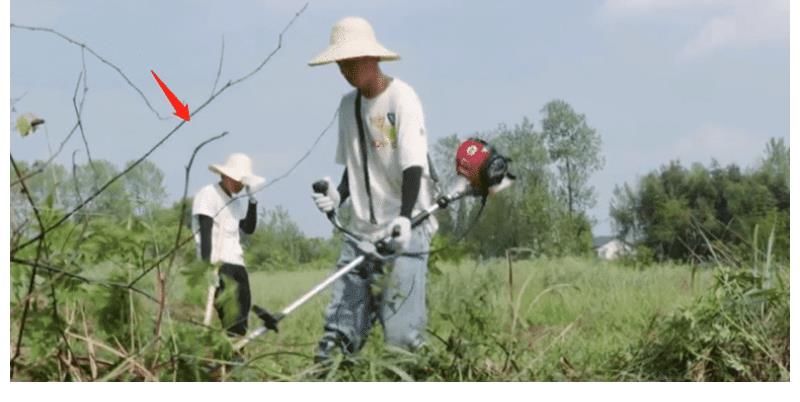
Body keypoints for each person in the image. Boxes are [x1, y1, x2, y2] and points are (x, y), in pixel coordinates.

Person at [308, 16, 438, 362]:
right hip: (361, 231)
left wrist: (406, 218)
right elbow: (355, 162)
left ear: (372, 58)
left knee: (402, 339)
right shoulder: (347, 106)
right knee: (338, 334)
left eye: (352, 62)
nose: (346, 70)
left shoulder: (401, 98)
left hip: (404, 228)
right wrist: (338, 195)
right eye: (341, 64)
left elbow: (414, 164)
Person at [192, 153, 264, 337]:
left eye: (243, 183)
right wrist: (207, 267)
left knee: (242, 317)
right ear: (225, 176)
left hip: (237, 264)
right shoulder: (208, 194)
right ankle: (227, 356)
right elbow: (205, 233)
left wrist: (253, 201)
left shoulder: (235, 203)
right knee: (229, 316)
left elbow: (248, 228)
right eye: (237, 181)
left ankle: (237, 355)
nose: (240, 185)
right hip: (219, 263)